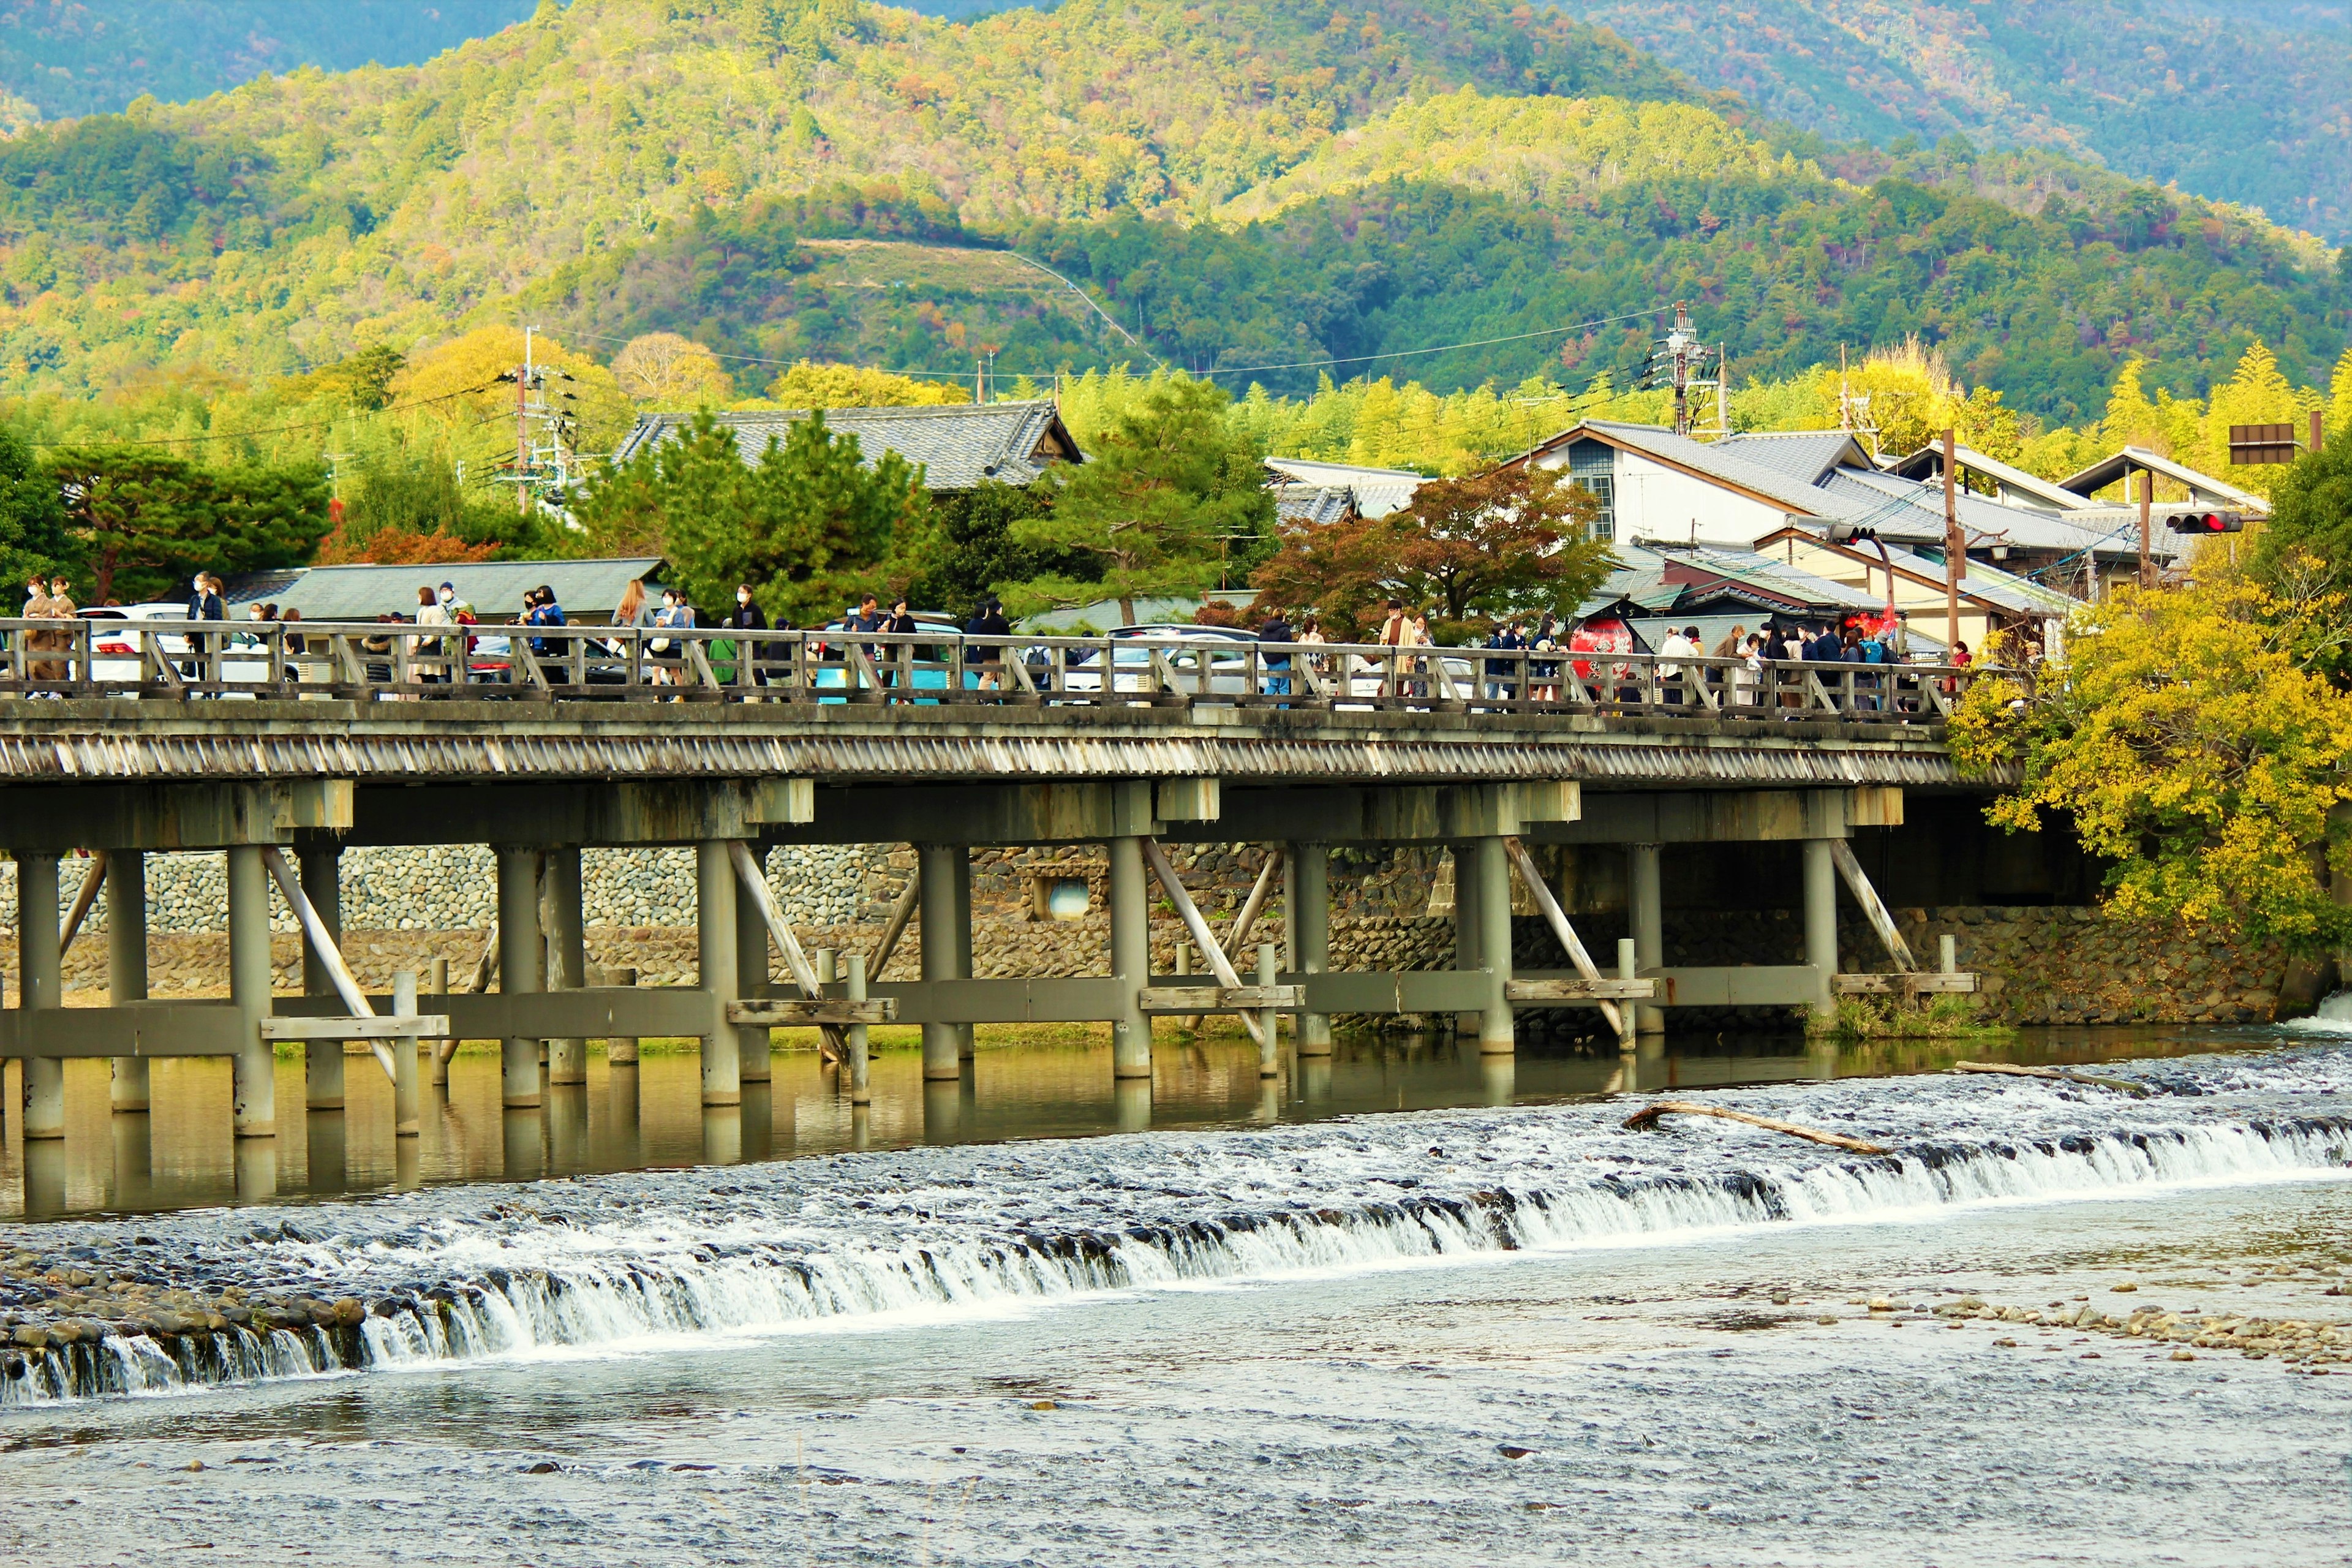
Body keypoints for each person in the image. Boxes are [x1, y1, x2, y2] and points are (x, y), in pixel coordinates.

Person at [727, 584, 769, 690]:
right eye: (739, 591)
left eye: (743, 592)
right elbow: (735, 627)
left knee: (756, 669)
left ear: (749, 595)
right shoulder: (736, 610)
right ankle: (734, 694)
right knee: (738, 668)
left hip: (754, 644)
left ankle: (764, 693)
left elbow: (764, 626)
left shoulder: (755, 609)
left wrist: (752, 633)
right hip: (740, 644)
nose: (740, 594)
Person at [967, 596, 1011, 690]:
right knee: (1002, 678)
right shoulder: (1003, 623)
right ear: (999, 610)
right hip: (999, 655)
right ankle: (1003, 698)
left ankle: (981, 697)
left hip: (986, 655)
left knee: (987, 677)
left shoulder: (984, 623)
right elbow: (1008, 640)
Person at [413, 584, 450, 688]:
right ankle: (427, 692)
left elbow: (436, 628)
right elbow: (418, 628)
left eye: (420, 596)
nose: (418, 598)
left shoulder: (435, 610)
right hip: (422, 643)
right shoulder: (421, 611)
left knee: (431, 670)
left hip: (431, 644)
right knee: (422, 671)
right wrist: (415, 643)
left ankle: (434, 692)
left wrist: (430, 639)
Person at [1657, 624, 1698, 706]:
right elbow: (1695, 654)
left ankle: (1669, 713)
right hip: (1681, 671)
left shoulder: (1668, 644)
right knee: (1678, 692)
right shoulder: (1685, 643)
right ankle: (1679, 713)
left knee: (1667, 692)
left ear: (1670, 634)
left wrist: (1662, 674)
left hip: (1669, 672)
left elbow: (1664, 660)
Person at [1257, 605, 1294, 698]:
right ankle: (1283, 711)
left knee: (1272, 685)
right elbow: (1288, 647)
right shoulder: (1285, 630)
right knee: (1283, 688)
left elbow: (1261, 644)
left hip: (1269, 662)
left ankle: (1263, 705)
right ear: (1284, 617)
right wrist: (1289, 661)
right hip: (1282, 661)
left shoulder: (1265, 630)